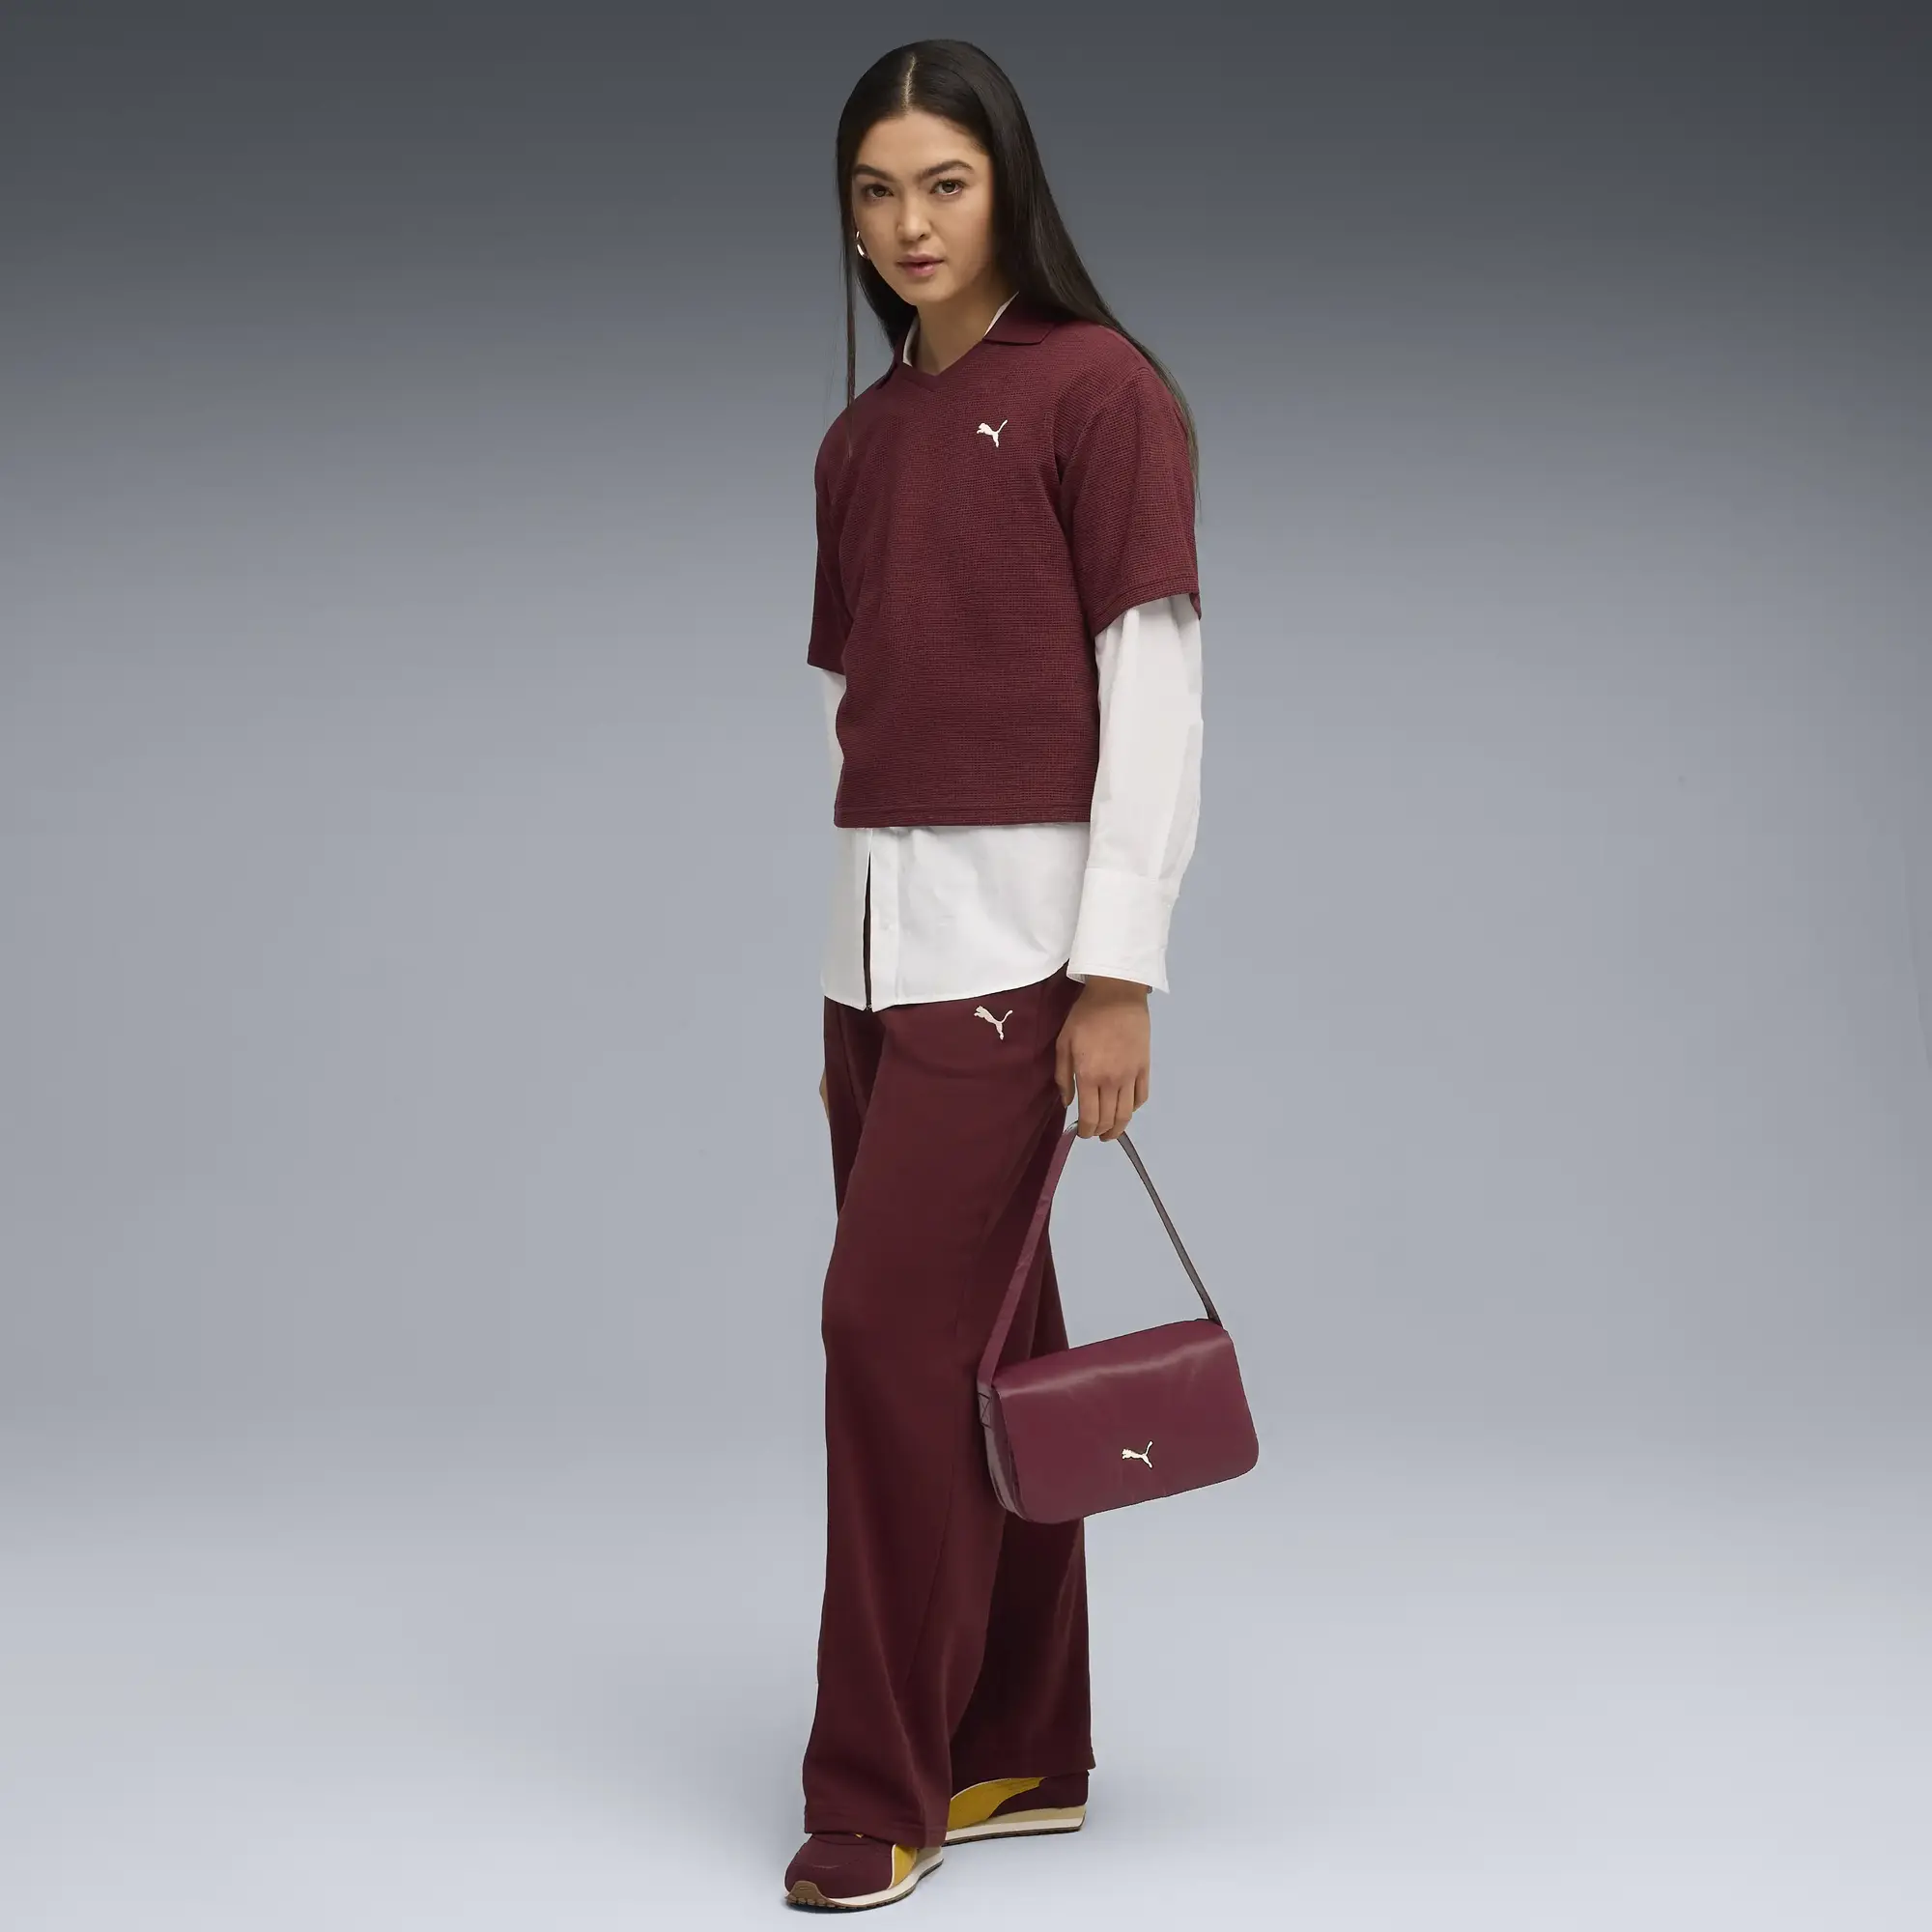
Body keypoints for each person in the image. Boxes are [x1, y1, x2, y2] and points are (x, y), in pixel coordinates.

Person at [783, 37, 1205, 1913]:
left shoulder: (1101, 391)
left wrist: (1117, 973)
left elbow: (1156, 692)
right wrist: (846, 962)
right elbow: (856, 704)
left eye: (943, 183)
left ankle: (877, 1787)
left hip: (1019, 959)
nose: (909, 224)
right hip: (874, 958)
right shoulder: (859, 438)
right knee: (987, 1347)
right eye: (876, 192)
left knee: (883, 1344)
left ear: (1006, 185)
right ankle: (1023, 1739)